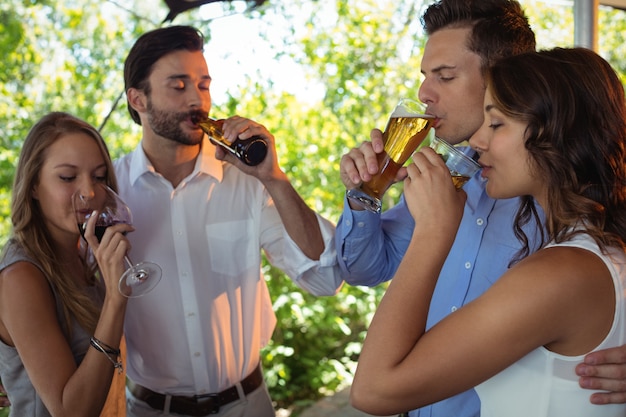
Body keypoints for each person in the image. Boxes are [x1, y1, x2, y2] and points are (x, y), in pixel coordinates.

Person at [337, 1, 626, 415]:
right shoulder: (441, 181)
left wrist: (434, 234)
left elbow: (373, 391)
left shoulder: (562, 263)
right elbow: (362, 269)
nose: (423, 94)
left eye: (498, 122)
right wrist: (366, 194)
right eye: (424, 76)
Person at [116, 25, 343, 417]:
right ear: (138, 98)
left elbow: (326, 277)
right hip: (150, 410)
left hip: (247, 404)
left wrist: (275, 178)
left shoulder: (248, 181)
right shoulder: (112, 190)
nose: (197, 100)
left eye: (203, 85)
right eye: (179, 85)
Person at [0, 112, 130, 416]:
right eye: (68, 177)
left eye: (99, 177)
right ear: (33, 185)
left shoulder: (81, 257)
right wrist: (116, 298)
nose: (89, 192)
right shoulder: (21, 275)